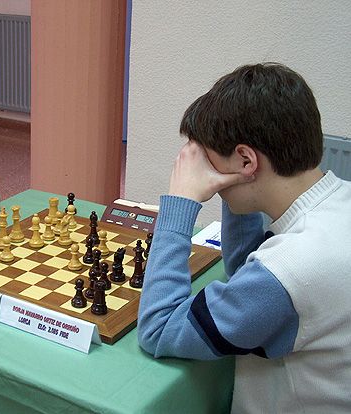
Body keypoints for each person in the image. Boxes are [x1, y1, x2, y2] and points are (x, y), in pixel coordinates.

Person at [137, 63, 351, 413]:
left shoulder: (287, 271)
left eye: (209, 161)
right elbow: (246, 270)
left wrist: (180, 202)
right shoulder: (338, 203)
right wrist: (234, 182)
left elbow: (159, 329)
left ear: (246, 160)